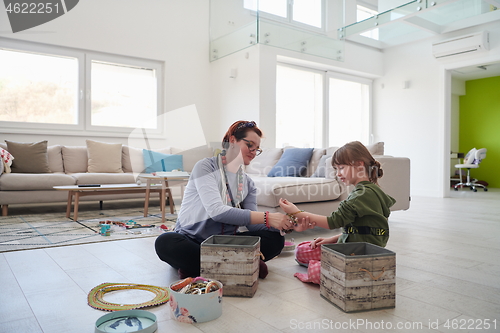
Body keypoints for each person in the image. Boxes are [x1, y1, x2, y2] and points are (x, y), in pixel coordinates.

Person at [155, 120, 295, 279]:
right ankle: (243, 264)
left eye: (257, 149)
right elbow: (216, 212)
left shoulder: (248, 182)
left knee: (276, 239)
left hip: (226, 243)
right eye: (250, 145)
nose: (253, 152)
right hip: (193, 241)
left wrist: (282, 225)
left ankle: (204, 268)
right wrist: (268, 217)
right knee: (165, 242)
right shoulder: (205, 167)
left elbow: (252, 225)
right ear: (233, 140)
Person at [279, 141, 396, 284]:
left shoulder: (360, 196)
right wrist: (331, 239)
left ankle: (319, 271)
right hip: (361, 248)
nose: (338, 173)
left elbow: (332, 222)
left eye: (341, 168)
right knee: (303, 248)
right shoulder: (370, 191)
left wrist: (297, 213)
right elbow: (363, 230)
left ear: (359, 165)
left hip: (356, 254)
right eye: (336, 169)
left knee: (304, 255)